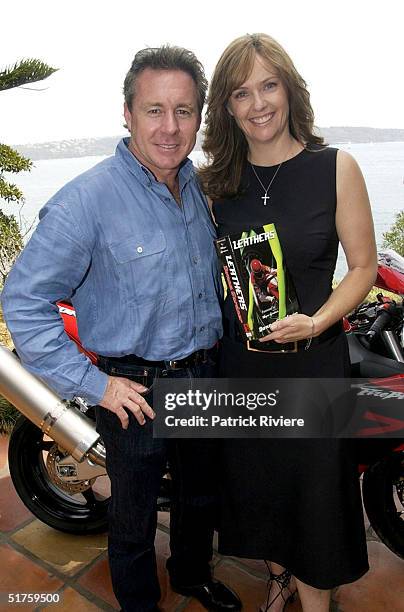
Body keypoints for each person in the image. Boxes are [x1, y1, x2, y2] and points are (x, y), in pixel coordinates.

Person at [1, 46, 241, 612]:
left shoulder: (203, 193)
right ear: (127, 114)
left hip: (203, 374)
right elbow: (23, 299)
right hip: (133, 390)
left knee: (199, 496)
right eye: (154, 109)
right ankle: (139, 602)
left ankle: (190, 575)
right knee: (131, 517)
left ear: (199, 118)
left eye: (184, 111)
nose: (170, 126)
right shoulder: (87, 200)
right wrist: (96, 384)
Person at [199, 34, 377, 612]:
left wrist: (318, 320)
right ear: (227, 108)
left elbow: (363, 268)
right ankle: (279, 578)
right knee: (260, 487)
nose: (257, 104)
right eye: (240, 92)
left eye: (268, 85)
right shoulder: (213, 187)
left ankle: (314, 600)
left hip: (314, 365)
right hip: (242, 367)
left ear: (290, 90)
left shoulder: (335, 169)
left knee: (316, 497)